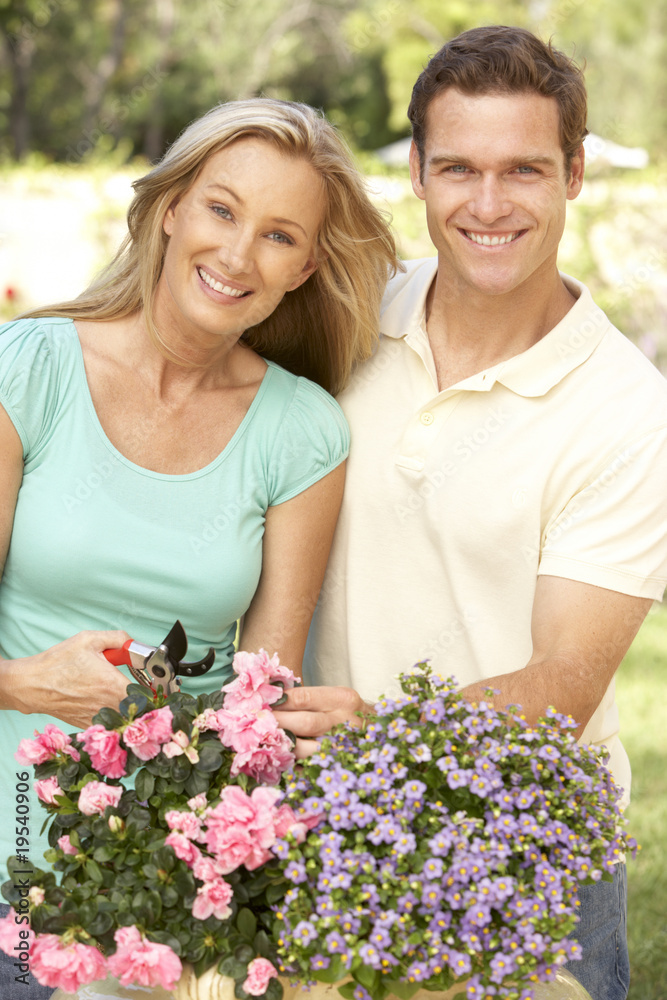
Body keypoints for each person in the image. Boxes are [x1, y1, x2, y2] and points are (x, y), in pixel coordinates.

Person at [276, 26, 667, 1000]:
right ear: (415, 170)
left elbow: (563, 683)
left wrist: (379, 728)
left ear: (573, 172)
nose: (487, 206)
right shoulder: (351, 322)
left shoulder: (625, 410)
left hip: (524, 859)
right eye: (457, 168)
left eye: (523, 170)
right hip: (319, 831)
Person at [0, 97, 398, 999]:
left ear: (303, 270)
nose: (236, 255)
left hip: (166, 899)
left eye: (279, 235)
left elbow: (264, 693)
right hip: (7, 862)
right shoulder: (26, 370)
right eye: (221, 209)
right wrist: (24, 683)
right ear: (170, 207)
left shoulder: (302, 432)